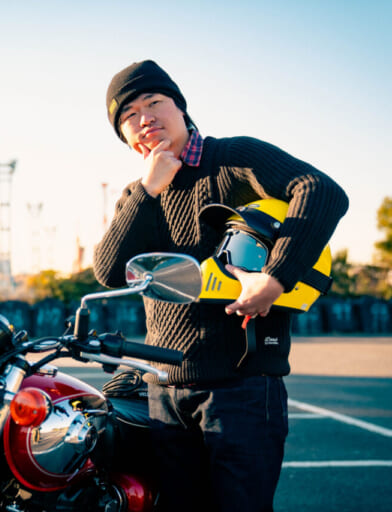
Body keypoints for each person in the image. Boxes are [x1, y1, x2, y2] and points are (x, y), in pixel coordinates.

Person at [93, 60, 349, 511]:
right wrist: (148, 189)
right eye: (129, 115)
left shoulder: (234, 158)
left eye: (154, 103)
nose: (144, 118)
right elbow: (111, 271)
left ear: (181, 108)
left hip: (241, 387)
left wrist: (277, 276)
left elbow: (322, 190)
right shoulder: (141, 194)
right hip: (165, 391)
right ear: (127, 138)